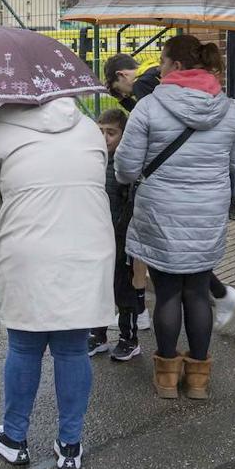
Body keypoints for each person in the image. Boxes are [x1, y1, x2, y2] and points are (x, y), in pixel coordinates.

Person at [0, 97, 114, 469]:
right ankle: (70, 445)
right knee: (72, 349)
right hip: (87, 246)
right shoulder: (88, 127)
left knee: (24, 345)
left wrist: (3, 238)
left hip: (26, 248)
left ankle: (15, 437)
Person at [115, 35, 235, 401]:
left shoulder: (147, 108)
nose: (158, 68)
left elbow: (126, 169)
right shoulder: (230, 110)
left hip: (160, 212)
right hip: (207, 212)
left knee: (168, 293)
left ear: (174, 65)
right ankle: (199, 380)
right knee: (197, 291)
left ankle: (167, 378)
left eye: (161, 60)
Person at [105, 52, 235, 329]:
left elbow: (132, 157)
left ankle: (141, 317)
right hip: (207, 202)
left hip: (162, 196)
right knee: (193, 277)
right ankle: (201, 353)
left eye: (165, 61)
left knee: (166, 286)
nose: (161, 67)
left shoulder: (147, 90)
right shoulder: (226, 106)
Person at [88, 108, 145, 361]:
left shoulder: (126, 164)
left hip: (121, 235)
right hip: (96, 233)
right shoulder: (91, 159)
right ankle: (97, 335)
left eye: (111, 132)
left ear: (124, 134)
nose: (105, 137)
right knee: (96, 287)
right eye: (100, 131)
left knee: (123, 288)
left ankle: (128, 338)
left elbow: (132, 201)